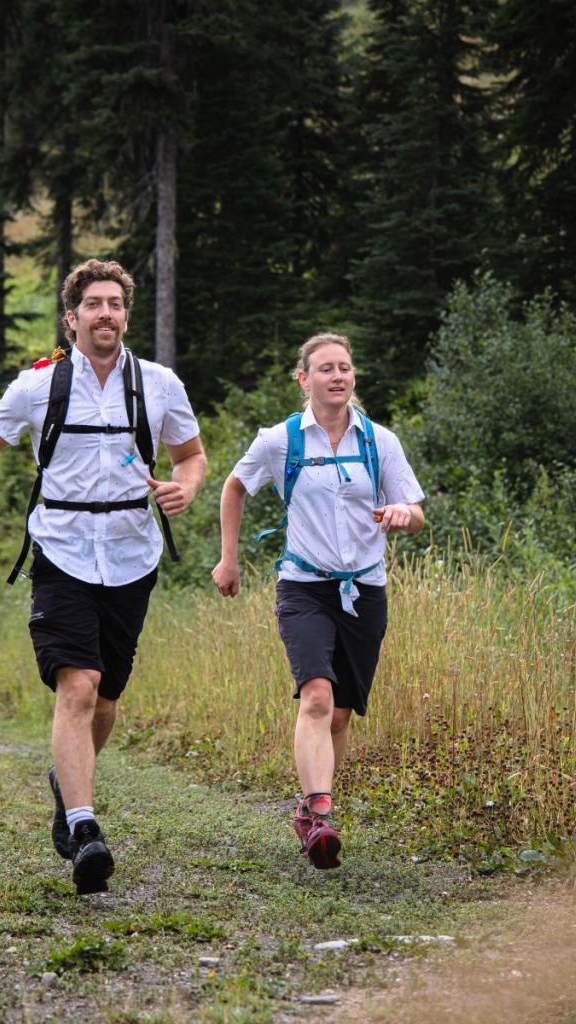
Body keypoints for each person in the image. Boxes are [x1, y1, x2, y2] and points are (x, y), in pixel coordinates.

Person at [0, 258, 206, 895]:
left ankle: (66, 781)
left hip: (130, 552)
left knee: (108, 697)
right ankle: (85, 828)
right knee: (78, 686)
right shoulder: (38, 387)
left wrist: (186, 488)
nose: (106, 314)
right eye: (93, 303)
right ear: (71, 318)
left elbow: (192, 455)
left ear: (126, 314)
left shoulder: (159, 384)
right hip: (60, 550)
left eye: (115, 304)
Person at [211, 333, 425, 869]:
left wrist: (402, 515)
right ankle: (320, 813)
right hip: (304, 586)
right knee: (317, 697)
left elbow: (415, 511)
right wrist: (228, 559)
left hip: (365, 589)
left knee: (342, 714)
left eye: (345, 368)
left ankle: (312, 812)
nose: (338, 376)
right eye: (325, 368)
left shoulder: (381, 441)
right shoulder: (280, 441)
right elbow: (234, 486)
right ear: (304, 379)